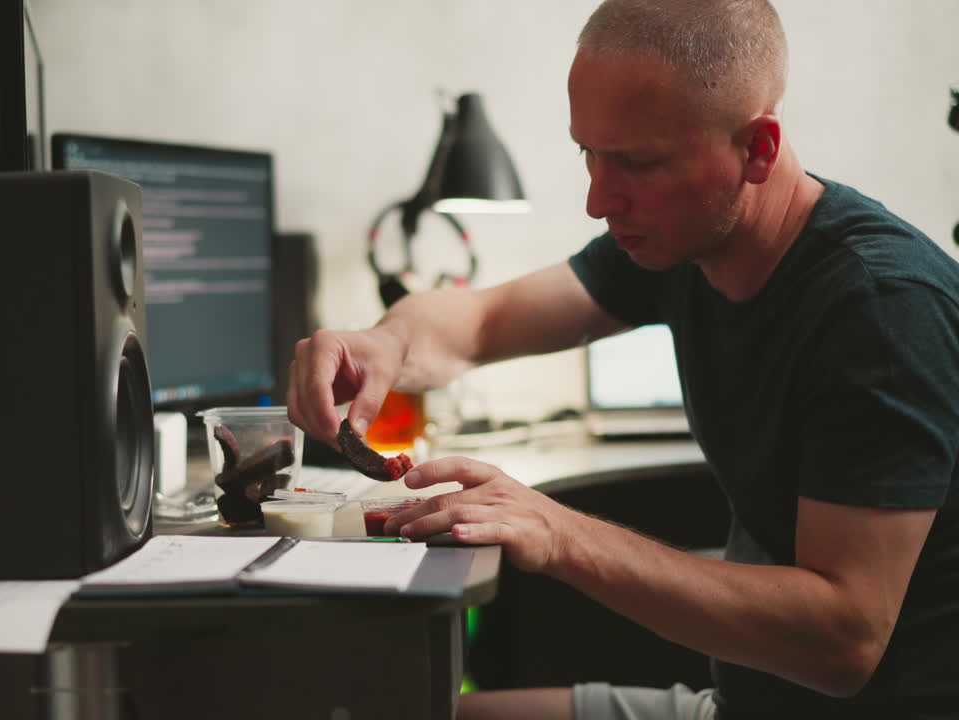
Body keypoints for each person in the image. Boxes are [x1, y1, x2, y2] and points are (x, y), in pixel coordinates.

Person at [286, 0, 959, 718]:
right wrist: (384, 343)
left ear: (759, 149)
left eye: (638, 162)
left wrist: (559, 531)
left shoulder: (881, 310)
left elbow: (843, 641)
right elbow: (482, 321)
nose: (598, 200)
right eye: (589, 153)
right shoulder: (683, 239)